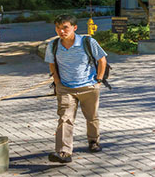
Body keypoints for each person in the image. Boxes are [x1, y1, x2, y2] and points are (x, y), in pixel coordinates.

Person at [44, 14, 108, 164]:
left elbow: (102, 59)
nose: (61, 31)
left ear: (74, 27)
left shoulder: (88, 42)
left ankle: (94, 141)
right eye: (58, 28)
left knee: (91, 117)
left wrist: (98, 80)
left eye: (65, 27)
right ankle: (64, 152)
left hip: (88, 87)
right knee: (65, 119)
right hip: (66, 88)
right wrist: (58, 83)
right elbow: (52, 64)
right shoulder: (53, 45)